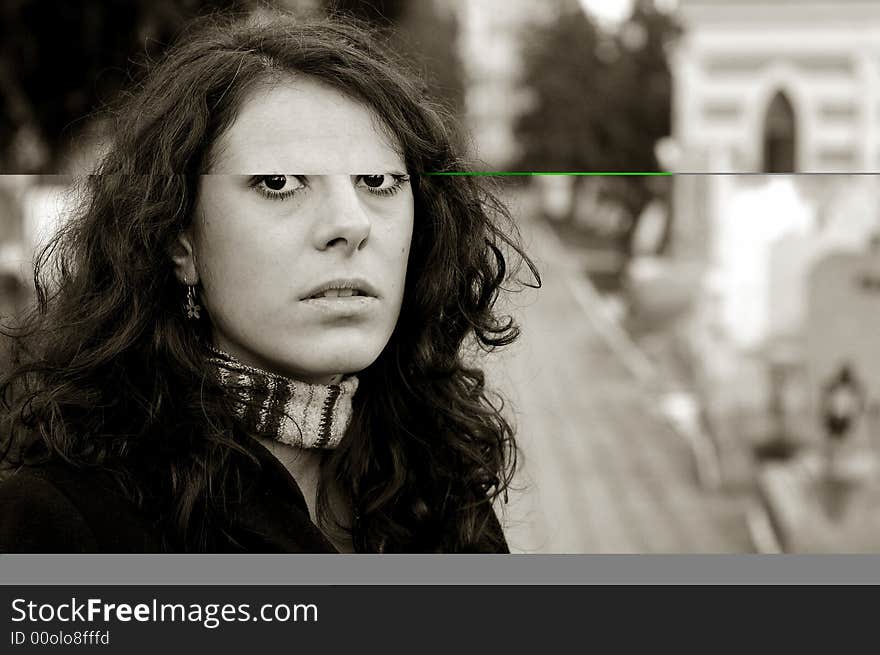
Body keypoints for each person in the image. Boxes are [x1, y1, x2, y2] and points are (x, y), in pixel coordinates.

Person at [0, 11, 539, 553]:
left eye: (377, 181)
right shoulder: (65, 525)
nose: (351, 225)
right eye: (279, 183)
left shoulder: (438, 489)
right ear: (180, 241)